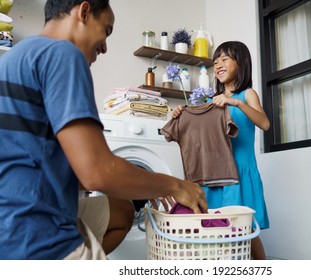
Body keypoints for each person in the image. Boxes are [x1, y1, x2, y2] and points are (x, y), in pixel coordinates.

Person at [0, 0, 207, 260]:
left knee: (122, 210)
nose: (105, 47)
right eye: (106, 31)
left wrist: (141, 185)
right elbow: (97, 172)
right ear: (84, 12)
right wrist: (175, 186)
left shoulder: (15, 57)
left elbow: (39, 160)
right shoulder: (63, 53)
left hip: (8, 221)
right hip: (37, 235)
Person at [172, 41, 270, 259]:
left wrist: (235, 102)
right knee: (216, 229)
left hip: (240, 174)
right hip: (216, 174)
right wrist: (181, 114)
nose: (218, 65)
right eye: (215, 62)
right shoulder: (212, 100)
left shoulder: (247, 94)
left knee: (246, 231)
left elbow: (265, 124)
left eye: (225, 59)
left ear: (241, 63)